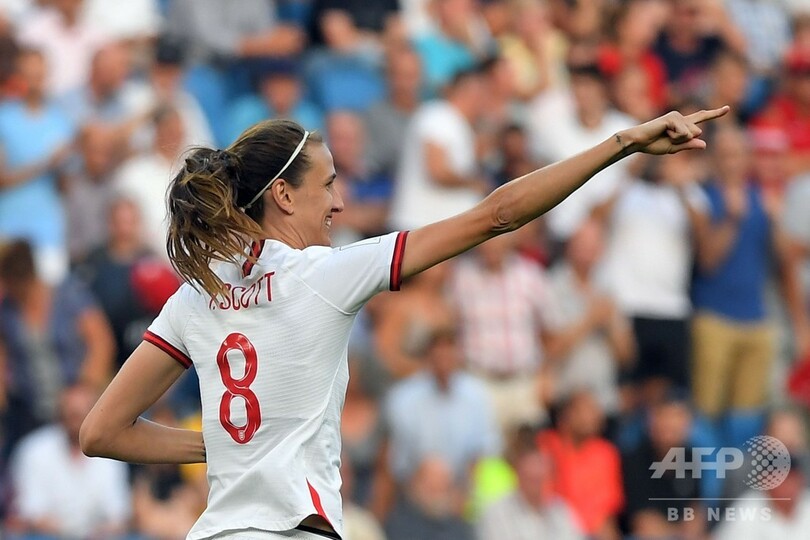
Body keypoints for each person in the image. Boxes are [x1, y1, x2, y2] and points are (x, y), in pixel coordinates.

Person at [80, 106, 729, 540]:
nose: (339, 201)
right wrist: (622, 144)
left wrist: (232, 444)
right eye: (328, 184)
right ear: (283, 194)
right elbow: (496, 216)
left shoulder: (197, 295)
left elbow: (102, 431)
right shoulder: (323, 275)